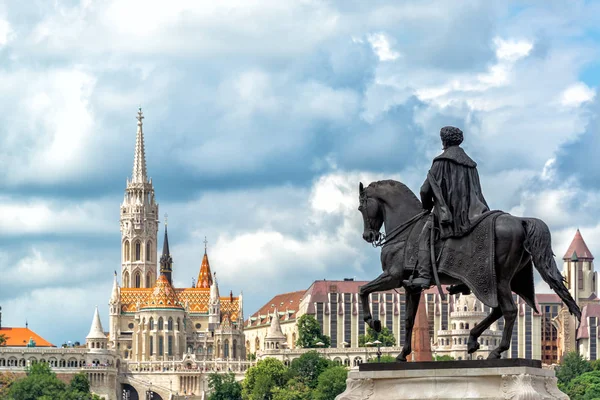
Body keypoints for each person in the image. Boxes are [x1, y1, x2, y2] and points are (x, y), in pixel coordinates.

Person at [403, 126, 489, 290]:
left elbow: (425, 190)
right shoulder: (471, 164)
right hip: (475, 214)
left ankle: (424, 276)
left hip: (450, 215)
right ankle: (466, 281)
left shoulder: (441, 161)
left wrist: (427, 208)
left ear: (444, 141)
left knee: (424, 237)